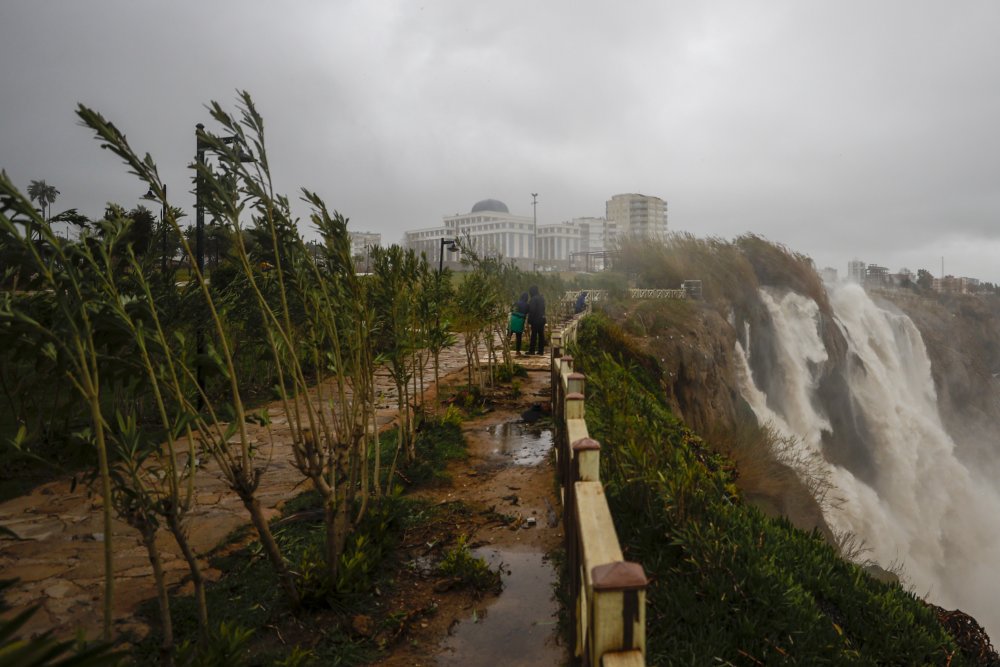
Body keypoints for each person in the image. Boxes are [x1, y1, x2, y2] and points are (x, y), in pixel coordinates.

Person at [527, 285, 546, 355]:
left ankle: (532, 350)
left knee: (534, 335)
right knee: (541, 335)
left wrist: (529, 320)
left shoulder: (533, 299)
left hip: (535, 320)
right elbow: (543, 308)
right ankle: (541, 351)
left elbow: (532, 310)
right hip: (542, 319)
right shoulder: (542, 298)